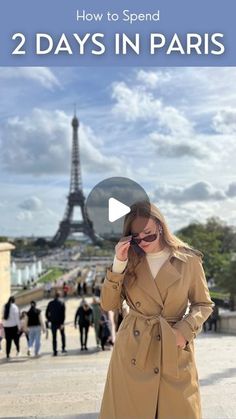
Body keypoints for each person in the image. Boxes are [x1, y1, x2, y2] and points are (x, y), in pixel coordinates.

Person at [99, 201, 214, 419]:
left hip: (174, 346)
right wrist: (118, 263)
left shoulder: (189, 260)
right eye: (137, 238)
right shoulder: (128, 261)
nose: (143, 242)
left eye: (149, 235)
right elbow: (108, 305)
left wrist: (184, 331)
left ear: (161, 227)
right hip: (134, 349)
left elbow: (203, 303)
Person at [45, 291, 66, 356]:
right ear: (59, 296)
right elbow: (63, 315)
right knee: (62, 335)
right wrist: (62, 323)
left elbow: (46, 313)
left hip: (53, 322)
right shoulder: (62, 303)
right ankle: (63, 348)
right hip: (60, 322)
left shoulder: (50, 303)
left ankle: (55, 351)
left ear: (54, 296)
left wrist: (49, 319)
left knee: (54, 337)